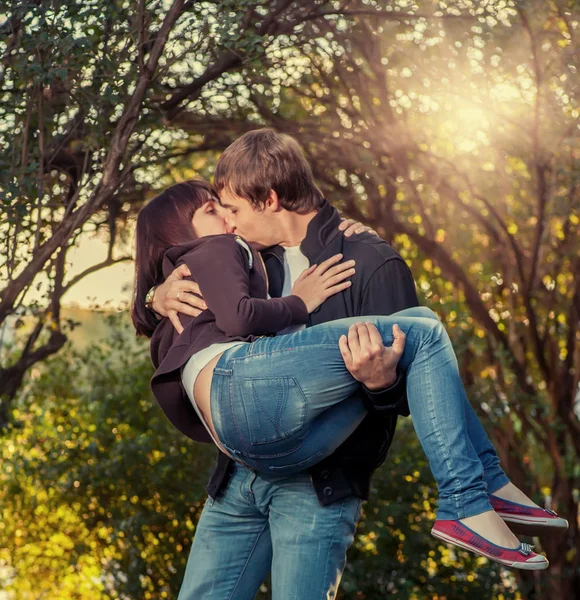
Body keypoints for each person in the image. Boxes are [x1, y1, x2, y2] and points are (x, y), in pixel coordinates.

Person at [140, 131, 567, 597]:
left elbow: (415, 395)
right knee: (424, 327)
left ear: (270, 199)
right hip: (239, 476)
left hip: (315, 483)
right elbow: (176, 309)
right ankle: (482, 489)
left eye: (235, 210)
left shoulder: (370, 262)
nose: (230, 222)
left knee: (420, 331)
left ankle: (479, 492)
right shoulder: (249, 258)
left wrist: (380, 383)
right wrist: (155, 297)